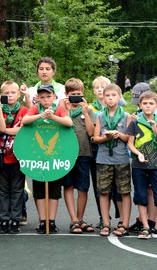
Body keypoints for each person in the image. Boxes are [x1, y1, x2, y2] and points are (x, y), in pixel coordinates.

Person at [21, 84, 73, 234]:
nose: (46, 100)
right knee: (39, 190)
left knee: (54, 190)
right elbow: (25, 121)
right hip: (38, 156)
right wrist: (40, 116)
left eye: (48, 96)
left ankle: (52, 221)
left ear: (54, 97)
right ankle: (43, 221)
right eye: (42, 97)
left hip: (56, 155)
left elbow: (69, 123)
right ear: (38, 98)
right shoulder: (36, 108)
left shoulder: (59, 108)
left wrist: (53, 117)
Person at [126, 91, 157, 240]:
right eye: (145, 103)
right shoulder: (135, 122)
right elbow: (130, 144)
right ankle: (146, 226)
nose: (147, 106)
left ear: (156, 105)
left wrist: (155, 131)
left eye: (151, 103)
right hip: (139, 166)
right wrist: (138, 154)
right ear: (140, 105)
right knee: (141, 196)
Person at [93, 84, 132, 237]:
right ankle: (106, 223)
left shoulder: (126, 116)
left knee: (124, 191)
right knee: (103, 192)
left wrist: (118, 134)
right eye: (107, 95)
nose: (110, 98)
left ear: (119, 97)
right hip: (103, 159)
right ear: (103, 98)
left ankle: (125, 223)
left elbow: (129, 138)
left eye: (113, 95)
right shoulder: (100, 116)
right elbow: (96, 138)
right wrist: (106, 137)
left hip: (121, 159)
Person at [61, 78, 95, 234]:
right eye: (72, 94)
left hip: (84, 153)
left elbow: (91, 132)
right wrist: (65, 108)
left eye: (79, 94)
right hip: (67, 154)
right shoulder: (61, 110)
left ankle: (80, 219)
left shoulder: (88, 111)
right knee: (68, 186)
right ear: (66, 95)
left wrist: (85, 113)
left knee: (83, 188)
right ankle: (73, 219)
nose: (76, 97)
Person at [89, 76, 121, 228]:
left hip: (116, 148)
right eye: (97, 87)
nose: (100, 90)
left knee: (117, 186)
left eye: (103, 87)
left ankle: (121, 216)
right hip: (97, 148)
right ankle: (103, 216)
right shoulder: (91, 108)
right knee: (100, 185)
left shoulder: (119, 109)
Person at [0, 81, 29, 234]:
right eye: (6, 93)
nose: (9, 96)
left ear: (18, 94)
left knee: (17, 189)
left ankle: (15, 218)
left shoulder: (23, 110)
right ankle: (4, 218)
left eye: (12, 93)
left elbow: (25, 129)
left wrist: (9, 131)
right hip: (1, 156)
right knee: (2, 190)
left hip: (18, 156)